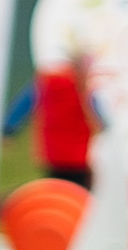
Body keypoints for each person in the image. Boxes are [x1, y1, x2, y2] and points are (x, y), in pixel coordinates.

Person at [29, 50, 97, 187]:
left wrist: (8, 128)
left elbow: (27, 102)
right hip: (80, 156)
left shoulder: (47, 82)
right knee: (80, 196)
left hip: (53, 154)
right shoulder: (85, 89)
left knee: (58, 191)